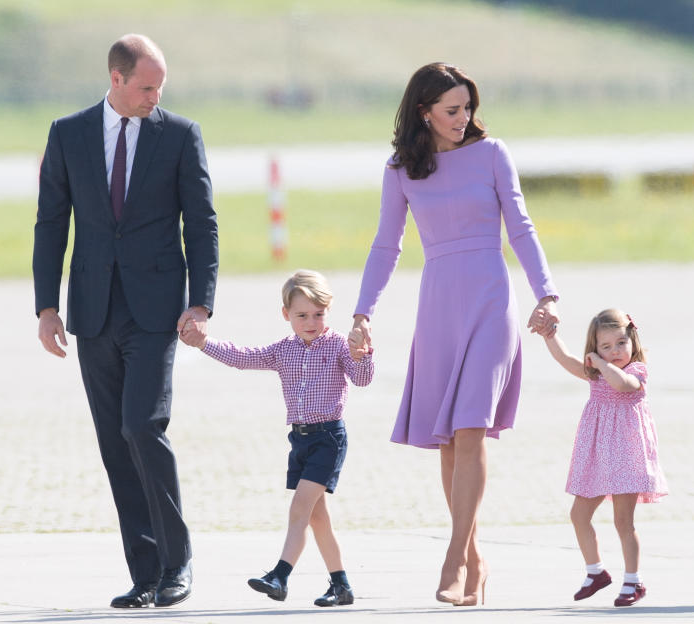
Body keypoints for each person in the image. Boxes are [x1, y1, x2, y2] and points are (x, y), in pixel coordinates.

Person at [350, 62, 560, 606]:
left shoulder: (493, 155)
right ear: (424, 111)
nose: (463, 118)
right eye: (451, 110)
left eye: (468, 107)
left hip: (492, 300)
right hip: (438, 305)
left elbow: (520, 225)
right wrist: (362, 313)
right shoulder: (400, 169)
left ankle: (453, 556)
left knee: (471, 428)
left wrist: (547, 292)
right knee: (447, 440)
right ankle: (476, 559)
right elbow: (385, 245)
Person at [32, 34, 217, 608]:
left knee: (143, 426)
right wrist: (46, 307)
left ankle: (177, 562)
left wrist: (201, 303)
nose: (154, 96)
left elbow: (203, 223)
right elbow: (50, 224)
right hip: (93, 310)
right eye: (146, 87)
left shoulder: (180, 134)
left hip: (156, 311)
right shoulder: (69, 134)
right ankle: (145, 575)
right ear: (115, 79)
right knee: (115, 443)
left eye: (160, 86)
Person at [180, 270, 373, 607]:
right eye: (302, 315)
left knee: (300, 508)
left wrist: (362, 355)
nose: (311, 322)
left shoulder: (340, 345)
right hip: (299, 441)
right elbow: (243, 357)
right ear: (286, 315)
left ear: (328, 310)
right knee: (317, 517)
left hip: (329, 438)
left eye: (318, 314)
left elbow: (362, 379)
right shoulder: (284, 350)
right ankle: (341, 585)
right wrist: (204, 343)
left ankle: (280, 576)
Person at [539, 308, 667, 607]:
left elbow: (622, 384)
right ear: (594, 348)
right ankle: (595, 572)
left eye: (621, 343)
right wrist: (551, 336)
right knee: (578, 514)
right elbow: (565, 360)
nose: (615, 352)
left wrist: (599, 362)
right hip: (597, 454)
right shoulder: (596, 371)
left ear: (632, 341)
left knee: (623, 521)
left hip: (626, 454)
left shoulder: (636, 372)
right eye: (605, 346)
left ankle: (634, 581)